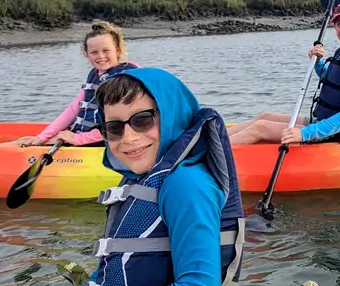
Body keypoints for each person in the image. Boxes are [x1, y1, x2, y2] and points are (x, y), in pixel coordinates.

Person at [87, 67, 245, 286]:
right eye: (114, 128)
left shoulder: (186, 185)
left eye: (142, 120)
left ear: (173, 115)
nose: (129, 138)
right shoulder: (140, 177)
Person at [227, 1, 340, 145]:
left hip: (339, 132)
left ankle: (210, 155)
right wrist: (318, 63)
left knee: (260, 128)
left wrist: (304, 134)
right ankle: (214, 139)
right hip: (323, 121)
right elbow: (335, 81)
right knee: (264, 116)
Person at [2, 20, 140, 147]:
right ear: (86, 54)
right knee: (27, 141)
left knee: (27, 145)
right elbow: (73, 110)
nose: (100, 56)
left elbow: (121, 122)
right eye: (94, 52)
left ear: (118, 50)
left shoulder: (125, 77)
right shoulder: (94, 75)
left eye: (106, 50)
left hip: (106, 141)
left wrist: (78, 139)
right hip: (83, 135)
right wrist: (42, 137)